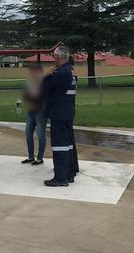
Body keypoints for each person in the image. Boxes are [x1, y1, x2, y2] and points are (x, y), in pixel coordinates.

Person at [42, 46, 76, 187]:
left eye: (54, 57)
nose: (53, 59)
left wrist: (48, 74)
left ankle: (61, 178)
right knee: (67, 145)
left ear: (58, 57)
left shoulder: (61, 73)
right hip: (68, 112)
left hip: (59, 114)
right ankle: (69, 173)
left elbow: (45, 86)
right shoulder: (71, 71)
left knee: (59, 146)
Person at [21, 63, 47, 165]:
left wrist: (36, 101)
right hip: (31, 111)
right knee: (28, 133)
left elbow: (45, 97)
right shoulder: (30, 83)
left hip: (41, 111)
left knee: (41, 134)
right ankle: (30, 156)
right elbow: (26, 95)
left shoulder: (44, 83)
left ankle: (40, 158)